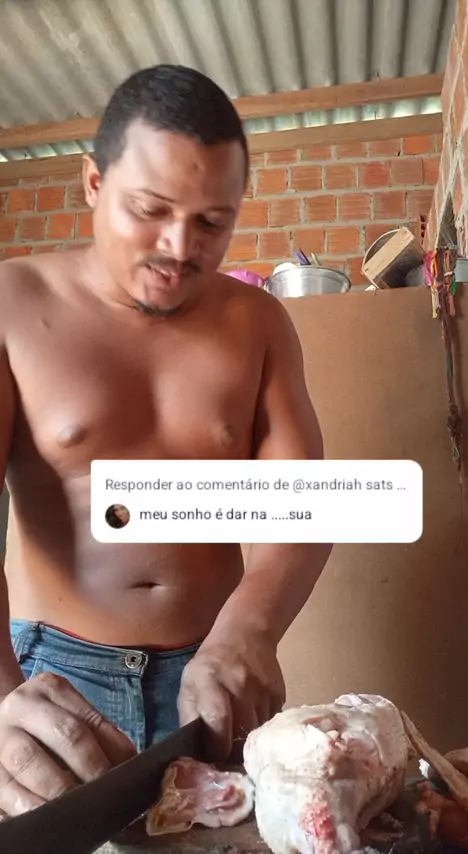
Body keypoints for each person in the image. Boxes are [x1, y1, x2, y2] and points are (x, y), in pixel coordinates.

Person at [0, 64, 332, 817]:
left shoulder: (258, 322)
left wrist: (250, 628)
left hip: (214, 679)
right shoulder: (14, 306)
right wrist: (0, 697)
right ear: (93, 184)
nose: (180, 247)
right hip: (52, 680)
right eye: (150, 210)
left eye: (212, 223)